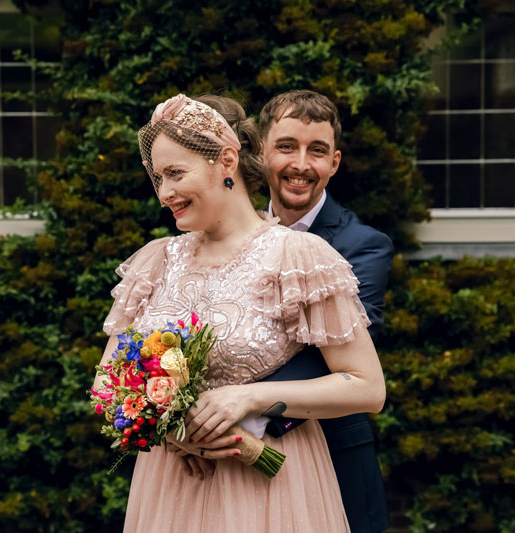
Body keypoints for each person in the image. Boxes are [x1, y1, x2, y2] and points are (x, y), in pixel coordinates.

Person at [93, 93, 386, 532]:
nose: (164, 193)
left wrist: (248, 398)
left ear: (226, 161)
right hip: (171, 487)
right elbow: (106, 384)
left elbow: (367, 387)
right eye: (158, 177)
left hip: (269, 490)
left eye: (176, 173)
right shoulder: (156, 262)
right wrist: (174, 429)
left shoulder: (298, 256)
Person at [258, 89, 394, 533]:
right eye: (286, 146)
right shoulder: (232, 235)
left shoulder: (363, 246)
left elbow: (329, 357)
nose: (301, 164)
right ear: (260, 152)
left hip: (334, 459)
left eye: (316, 151)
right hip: (236, 468)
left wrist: (236, 405)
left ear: (334, 163)